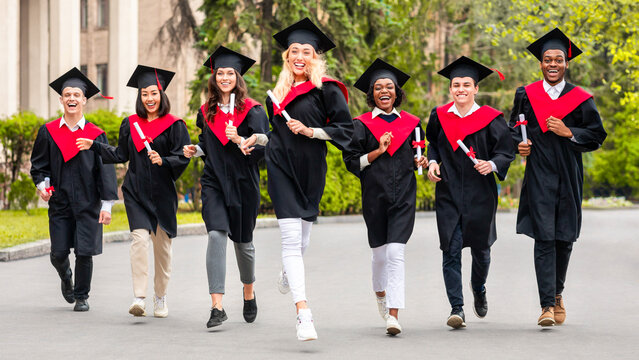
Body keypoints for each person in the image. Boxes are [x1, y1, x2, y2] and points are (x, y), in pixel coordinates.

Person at [241, 17, 353, 341]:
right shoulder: (275, 96)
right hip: (280, 167)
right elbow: (276, 137)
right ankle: (303, 313)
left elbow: (345, 129)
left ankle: (289, 270)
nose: (299, 56)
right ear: (287, 57)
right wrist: (258, 140)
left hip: (312, 169)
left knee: (302, 241)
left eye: (306, 50)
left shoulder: (328, 91)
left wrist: (312, 131)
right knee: (290, 240)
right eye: (294, 50)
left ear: (315, 56)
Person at [510, 28, 607, 327]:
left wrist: (569, 132)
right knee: (544, 236)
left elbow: (596, 135)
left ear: (567, 64)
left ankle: (557, 292)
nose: (553, 64)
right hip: (538, 171)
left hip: (568, 171)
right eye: (547, 59)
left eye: (559, 59)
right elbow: (514, 126)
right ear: (540, 63)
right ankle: (546, 306)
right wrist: (519, 144)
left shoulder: (580, 98)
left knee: (565, 236)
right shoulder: (526, 94)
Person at [77, 65, 191, 318]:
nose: (149, 99)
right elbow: (120, 154)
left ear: (162, 94)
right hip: (135, 192)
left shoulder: (175, 125)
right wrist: (94, 145)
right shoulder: (130, 124)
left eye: (153, 93)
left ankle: (160, 296)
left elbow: (182, 157)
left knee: (163, 250)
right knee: (139, 241)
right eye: (144, 94)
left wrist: (165, 160)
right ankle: (139, 296)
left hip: (163, 195)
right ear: (139, 97)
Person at [183, 46, 269, 328]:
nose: (224, 77)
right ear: (214, 77)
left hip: (244, 184)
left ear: (238, 77)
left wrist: (241, 139)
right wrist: (193, 150)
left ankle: (248, 291)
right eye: (220, 72)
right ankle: (217, 306)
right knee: (217, 236)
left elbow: (263, 150)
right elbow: (207, 148)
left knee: (244, 244)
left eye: (229, 73)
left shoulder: (253, 111)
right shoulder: (206, 111)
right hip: (215, 183)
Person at [426, 56, 515, 329]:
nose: (460, 89)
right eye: (456, 84)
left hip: (481, 195)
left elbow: (506, 151)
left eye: (466, 84)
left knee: (482, 251)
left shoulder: (491, 119)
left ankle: (479, 286)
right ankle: (457, 308)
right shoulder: (439, 116)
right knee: (450, 250)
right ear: (450, 89)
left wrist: (493, 164)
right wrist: (431, 162)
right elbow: (433, 144)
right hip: (449, 194)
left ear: (476, 88)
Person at [344, 58, 427, 336]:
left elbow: (418, 157)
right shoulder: (361, 125)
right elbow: (352, 163)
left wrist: (423, 162)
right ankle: (381, 294)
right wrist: (378, 151)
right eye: (378, 87)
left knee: (395, 252)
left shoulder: (413, 124)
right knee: (379, 255)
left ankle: (394, 314)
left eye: (389, 86)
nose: (384, 91)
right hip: (374, 197)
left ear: (397, 92)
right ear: (371, 94)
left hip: (404, 196)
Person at [30, 67, 118, 312]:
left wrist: (107, 205)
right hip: (59, 201)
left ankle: (81, 296)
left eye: (76, 95)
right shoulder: (48, 133)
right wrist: (42, 186)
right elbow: (39, 166)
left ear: (84, 100)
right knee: (58, 253)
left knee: (84, 251)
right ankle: (66, 276)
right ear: (61, 99)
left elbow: (106, 170)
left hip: (88, 202)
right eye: (67, 94)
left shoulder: (95, 135)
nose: (71, 98)